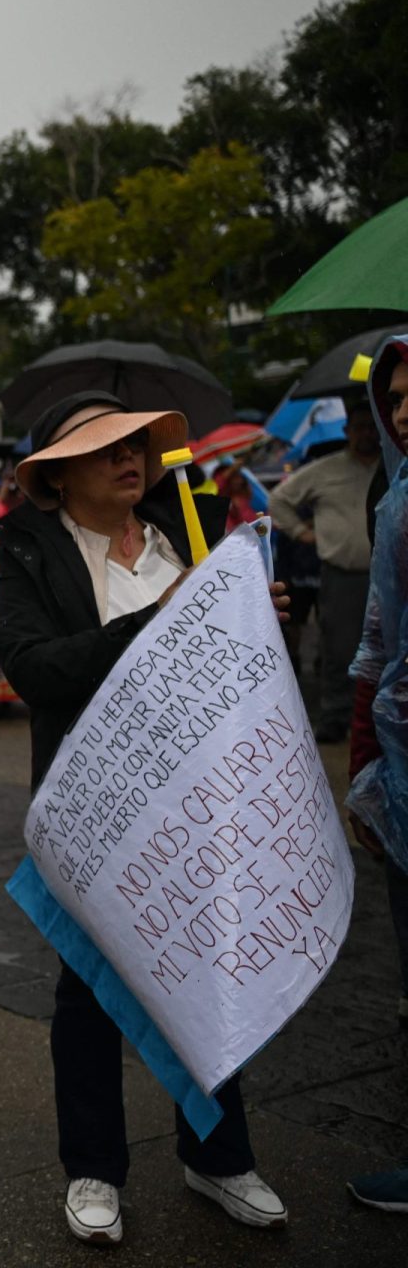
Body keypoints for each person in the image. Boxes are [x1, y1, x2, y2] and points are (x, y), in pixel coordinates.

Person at [0, 391, 289, 1245]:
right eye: (104, 451)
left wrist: (258, 618)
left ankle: (219, 1155)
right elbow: (32, 667)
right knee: (88, 989)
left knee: (210, 978)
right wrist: (154, 622)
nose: (130, 460)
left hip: (204, 808)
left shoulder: (189, 536)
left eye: (135, 446)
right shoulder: (35, 557)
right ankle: (93, 1168)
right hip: (96, 813)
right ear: (57, 477)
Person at [345, 335, 408, 1213]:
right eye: (394, 395)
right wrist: (362, 756)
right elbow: (374, 641)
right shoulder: (395, 503)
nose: (403, 410)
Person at [269, 411, 381, 742]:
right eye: (360, 427)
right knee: (340, 649)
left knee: (392, 651)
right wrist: (302, 532)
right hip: (342, 574)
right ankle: (334, 716)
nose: (367, 434)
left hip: (390, 575)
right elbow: (278, 500)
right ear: (347, 431)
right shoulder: (326, 469)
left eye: (373, 427)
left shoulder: (392, 466)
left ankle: (382, 720)